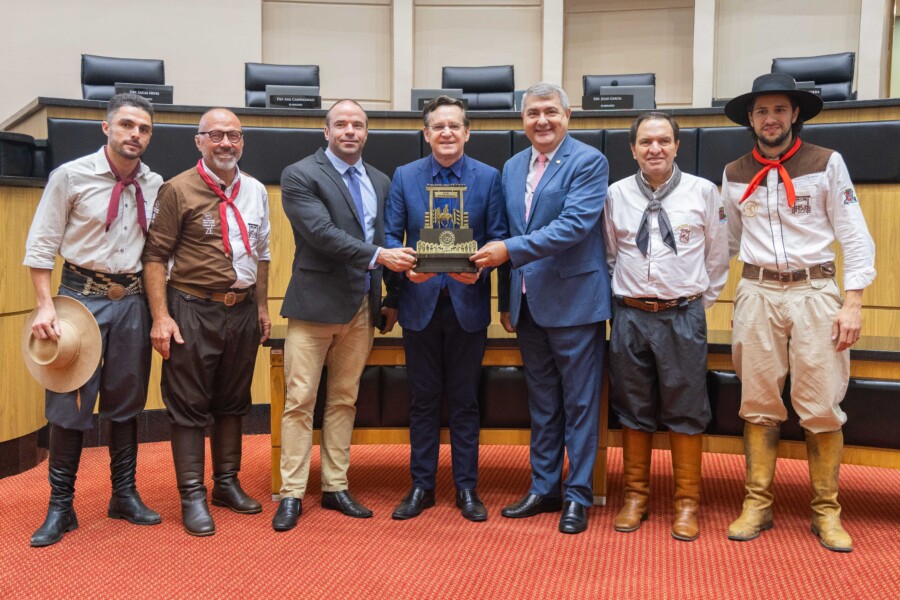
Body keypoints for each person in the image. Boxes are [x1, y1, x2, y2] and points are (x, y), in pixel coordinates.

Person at [721, 73, 876, 552]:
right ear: (751, 120)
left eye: (779, 110)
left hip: (815, 292)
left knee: (822, 404)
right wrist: (707, 295)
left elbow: (854, 233)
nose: (770, 119)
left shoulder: (826, 163)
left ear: (795, 115)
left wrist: (853, 302)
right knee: (758, 403)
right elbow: (726, 243)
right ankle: (757, 504)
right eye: (761, 112)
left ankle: (827, 511)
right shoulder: (734, 172)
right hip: (757, 292)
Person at [23, 93, 163, 547]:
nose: (135, 135)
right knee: (70, 403)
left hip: (133, 302)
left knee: (127, 402)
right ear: (107, 128)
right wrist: (45, 305)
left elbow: (158, 254)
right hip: (78, 301)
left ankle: (124, 495)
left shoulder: (154, 184)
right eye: (126, 125)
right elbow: (41, 245)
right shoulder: (70, 176)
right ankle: (60, 506)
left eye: (143, 128)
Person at [471, 82, 611, 534]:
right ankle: (544, 487)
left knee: (581, 403)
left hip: (575, 303)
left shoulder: (589, 161)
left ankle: (578, 495)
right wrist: (506, 297)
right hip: (527, 304)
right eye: (533, 113)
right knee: (544, 402)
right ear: (522, 120)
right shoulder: (513, 167)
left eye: (551, 111)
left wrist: (508, 251)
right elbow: (508, 230)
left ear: (567, 116)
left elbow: (573, 226)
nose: (542, 120)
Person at [272, 100, 416, 532]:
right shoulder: (300, 174)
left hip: (362, 308)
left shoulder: (380, 180)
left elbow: (391, 238)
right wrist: (379, 256)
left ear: (366, 132)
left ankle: (336, 486)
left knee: (343, 400)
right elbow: (321, 234)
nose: (349, 131)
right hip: (314, 306)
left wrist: (392, 297)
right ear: (326, 131)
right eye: (341, 124)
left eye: (357, 124)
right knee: (300, 401)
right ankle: (292, 492)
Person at [142, 108, 272, 537]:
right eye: (215, 135)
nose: (225, 143)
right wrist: (161, 317)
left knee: (233, 400)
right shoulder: (177, 189)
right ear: (199, 141)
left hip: (242, 309)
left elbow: (262, 252)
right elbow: (155, 257)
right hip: (192, 308)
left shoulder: (255, 190)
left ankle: (226, 484)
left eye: (233, 135)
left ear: (243, 142)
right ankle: (192, 495)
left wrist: (262, 306)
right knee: (189, 404)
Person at [602, 112, 729, 541]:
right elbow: (609, 255)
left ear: (677, 145)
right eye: (645, 142)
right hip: (630, 315)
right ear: (633, 149)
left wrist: (691, 304)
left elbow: (718, 257)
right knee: (632, 405)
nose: (654, 149)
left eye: (663, 141)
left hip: (682, 315)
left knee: (686, 408)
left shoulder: (703, 191)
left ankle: (687, 502)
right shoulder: (615, 194)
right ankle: (635, 497)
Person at [384, 96, 506, 522]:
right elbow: (391, 236)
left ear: (467, 133)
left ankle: (467, 488)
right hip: (419, 305)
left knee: (465, 400)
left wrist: (481, 271)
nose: (447, 133)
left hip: (467, 304)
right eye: (438, 126)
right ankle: (422, 486)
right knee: (422, 400)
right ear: (426, 134)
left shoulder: (488, 178)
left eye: (455, 126)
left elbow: (498, 238)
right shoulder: (405, 176)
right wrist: (406, 272)